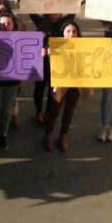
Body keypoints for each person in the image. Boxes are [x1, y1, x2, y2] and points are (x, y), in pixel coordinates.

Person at [42, 20, 83, 153]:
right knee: (54, 111)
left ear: (78, 33)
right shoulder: (56, 46)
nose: (71, 34)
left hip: (75, 86)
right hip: (59, 85)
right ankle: (48, 134)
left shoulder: (84, 47)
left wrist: (110, 58)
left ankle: (63, 135)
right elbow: (49, 66)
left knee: (69, 112)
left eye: (74, 31)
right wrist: (47, 54)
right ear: (63, 33)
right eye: (68, 31)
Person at [0, 12, 21, 150]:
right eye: (2, 24)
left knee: (7, 110)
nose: (5, 26)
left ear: (13, 25)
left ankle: (4, 135)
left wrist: (39, 52)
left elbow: (27, 58)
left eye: (8, 23)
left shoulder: (21, 40)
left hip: (12, 82)